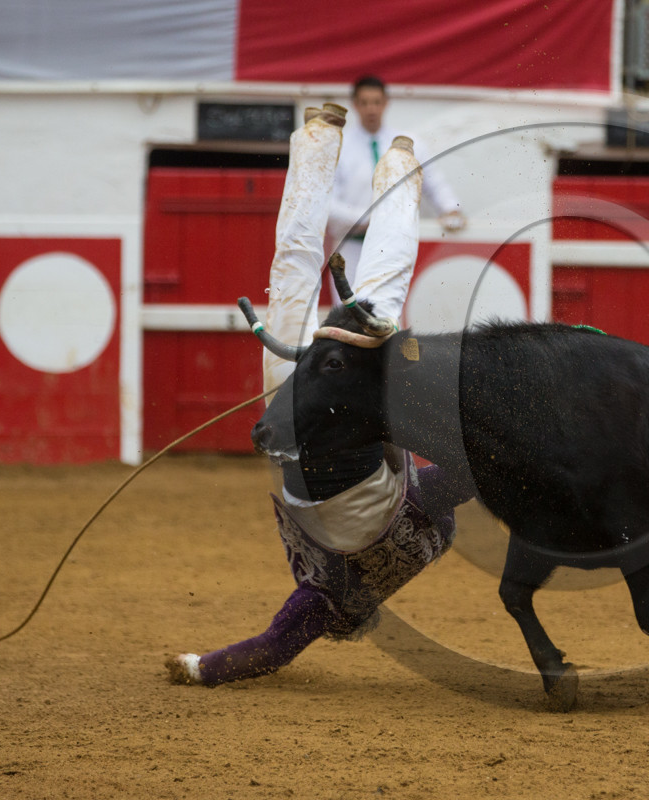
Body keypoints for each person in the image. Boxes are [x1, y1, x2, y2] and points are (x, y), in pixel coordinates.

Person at [166, 104, 471, 687]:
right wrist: (199, 667)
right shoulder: (321, 594)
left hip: (338, 404)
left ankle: (399, 162)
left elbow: (470, 472)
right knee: (293, 272)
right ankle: (319, 139)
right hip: (293, 408)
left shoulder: (423, 514)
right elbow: (271, 648)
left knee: (381, 287)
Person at [327, 75, 466, 287]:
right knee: (348, 315)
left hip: (394, 246)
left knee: (389, 313)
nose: (371, 109)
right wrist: (367, 218)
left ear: (385, 103)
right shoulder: (339, 146)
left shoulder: (409, 142)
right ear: (355, 105)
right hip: (352, 245)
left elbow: (433, 181)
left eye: (376, 102)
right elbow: (328, 202)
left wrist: (451, 208)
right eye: (364, 103)